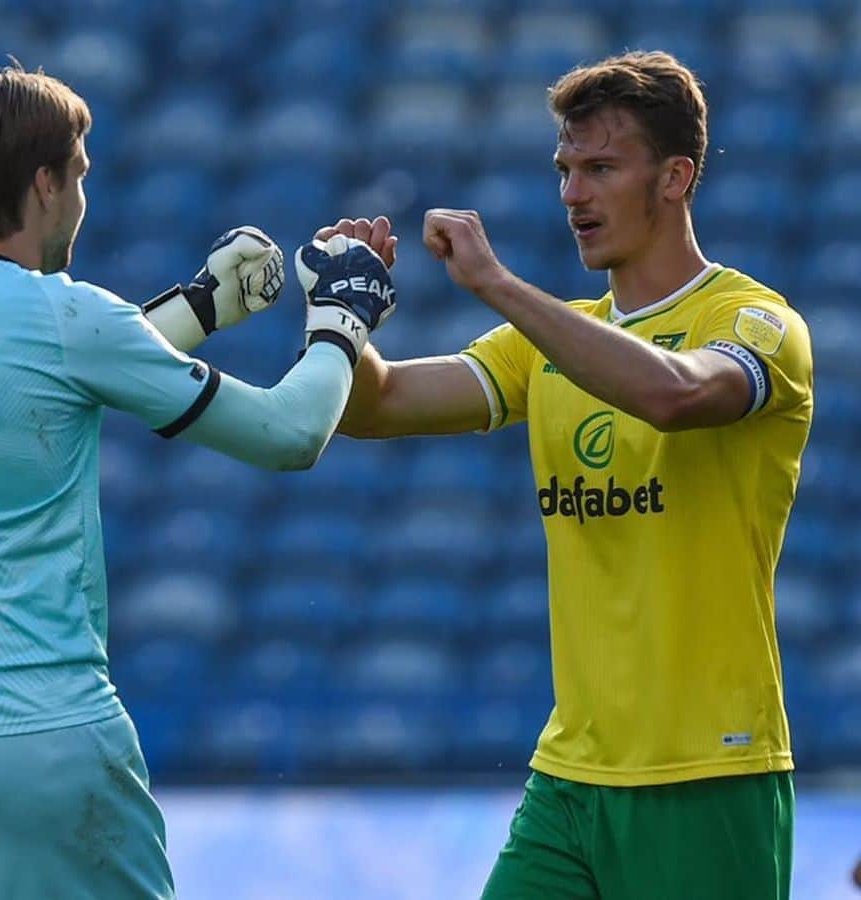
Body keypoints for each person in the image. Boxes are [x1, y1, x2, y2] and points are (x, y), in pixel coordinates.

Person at [0, 65, 395, 900]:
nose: (85, 199)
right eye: (82, 176)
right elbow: (289, 434)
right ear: (44, 184)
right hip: (41, 741)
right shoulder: (68, 317)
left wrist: (200, 307)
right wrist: (341, 321)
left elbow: (19, 381)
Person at [326, 51, 812, 899]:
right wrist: (340, 313)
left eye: (600, 168)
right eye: (563, 170)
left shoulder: (757, 320)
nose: (572, 195)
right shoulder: (549, 342)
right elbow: (381, 404)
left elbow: (671, 394)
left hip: (708, 772)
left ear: (675, 178)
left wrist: (498, 284)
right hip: (571, 778)